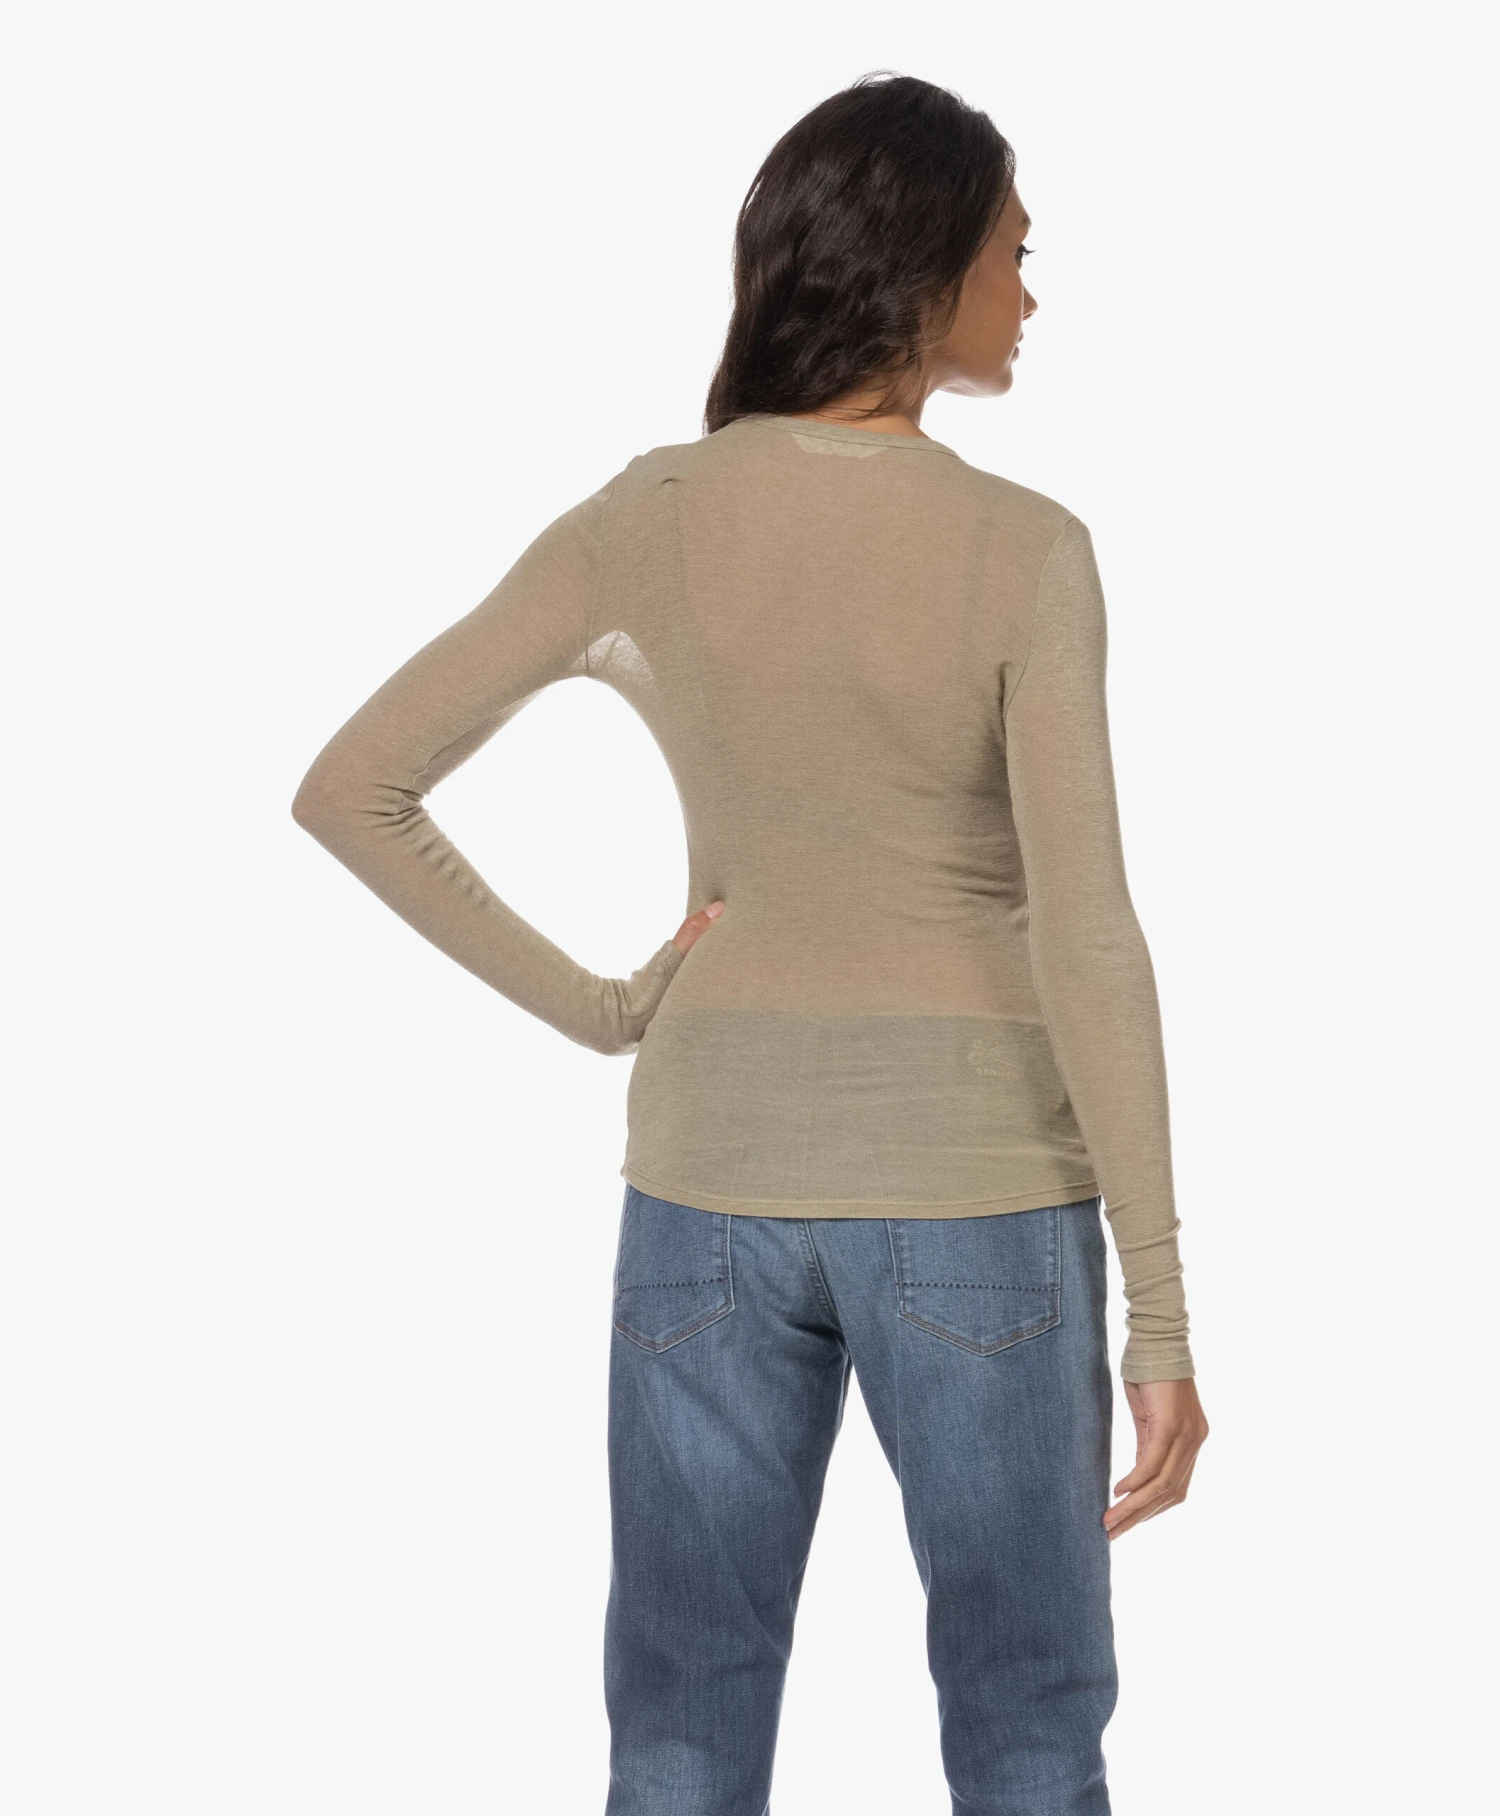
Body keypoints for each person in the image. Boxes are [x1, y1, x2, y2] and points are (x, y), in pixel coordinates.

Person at [292, 70, 1208, 1816]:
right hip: (982, 1200)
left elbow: (355, 787)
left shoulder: (648, 517)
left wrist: (615, 1011)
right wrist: (1160, 1311)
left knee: (682, 1731)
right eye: (1017, 252)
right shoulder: (1025, 550)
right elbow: (1086, 935)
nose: (1034, 290)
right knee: (1028, 1726)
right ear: (928, 265)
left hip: (704, 1195)